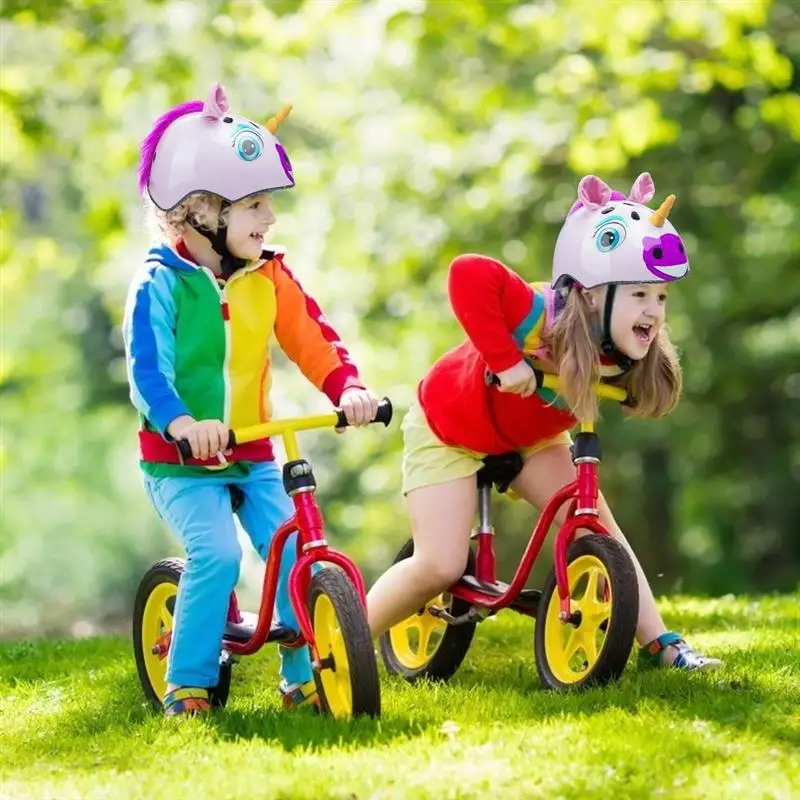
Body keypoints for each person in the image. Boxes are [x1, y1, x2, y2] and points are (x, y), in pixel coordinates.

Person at [367, 171, 721, 672]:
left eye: (660, 297)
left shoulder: (626, 348)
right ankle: (339, 645)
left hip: (531, 438)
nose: (654, 311)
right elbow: (468, 272)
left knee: (600, 529)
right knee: (440, 564)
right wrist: (506, 360)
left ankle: (662, 644)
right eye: (640, 295)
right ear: (591, 293)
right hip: (449, 429)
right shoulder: (540, 314)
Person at [123, 81, 378, 716]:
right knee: (216, 554)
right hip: (181, 461)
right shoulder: (159, 283)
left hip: (255, 450)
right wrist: (183, 423)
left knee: (294, 548)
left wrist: (348, 388)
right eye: (255, 205)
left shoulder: (269, 276)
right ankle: (187, 682)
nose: (270, 218)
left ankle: (301, 675)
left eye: (269, 203)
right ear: (201, 211)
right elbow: (147, 372)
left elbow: (312, 337)